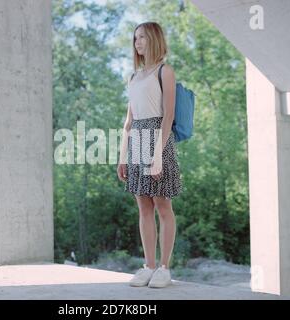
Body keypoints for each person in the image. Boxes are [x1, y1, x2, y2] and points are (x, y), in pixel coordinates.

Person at [117, 22, 182, 288]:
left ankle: (164, 268)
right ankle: (149, 266)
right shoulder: (133, 77)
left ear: (154, 38)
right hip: (137, 141)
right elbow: (128, 122)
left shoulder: (165, 71)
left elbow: (168, 116)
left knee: (162, 205)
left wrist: (157, 155)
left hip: (158, 137)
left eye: (142, 37)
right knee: (143, 206)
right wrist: (123, 156)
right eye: (135, 39)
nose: (137, 42)